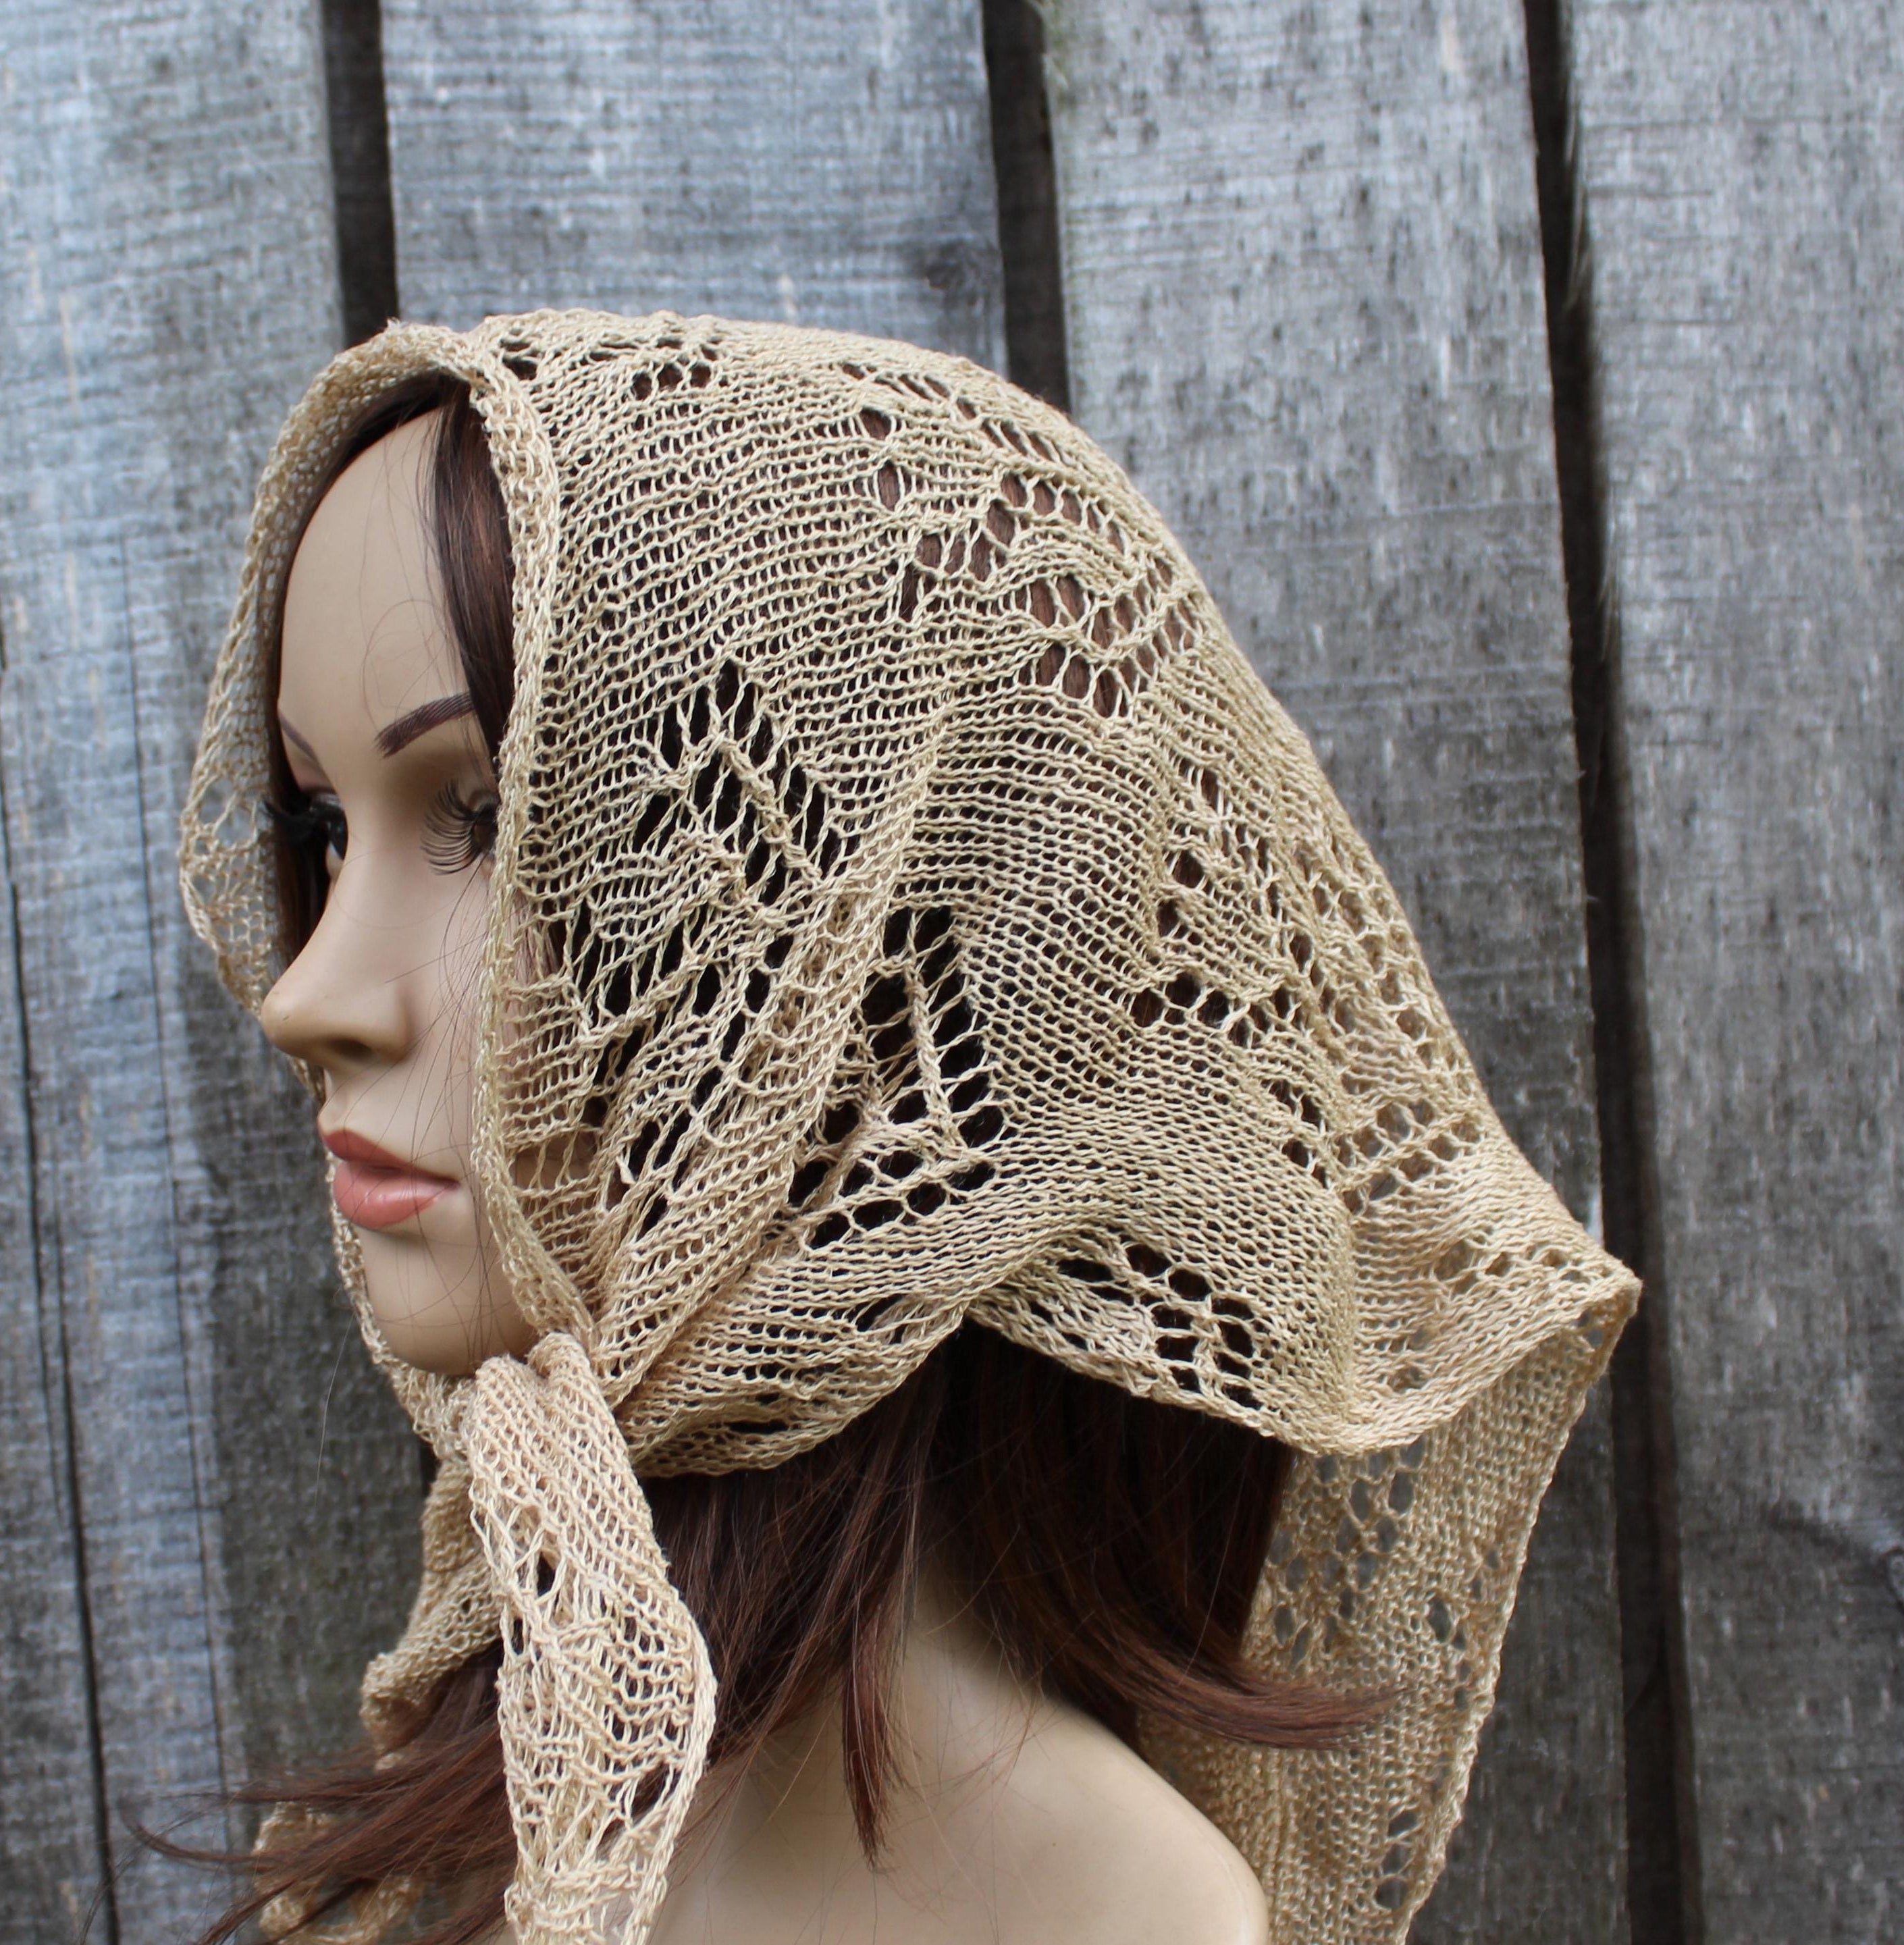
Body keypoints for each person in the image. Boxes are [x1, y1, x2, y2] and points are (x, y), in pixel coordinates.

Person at [178, 309, 1636, 1945]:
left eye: (482, 812)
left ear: (862, 951)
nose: (306, 992)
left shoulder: (1105, 1910)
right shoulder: (498, 1756)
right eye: (318, 819)